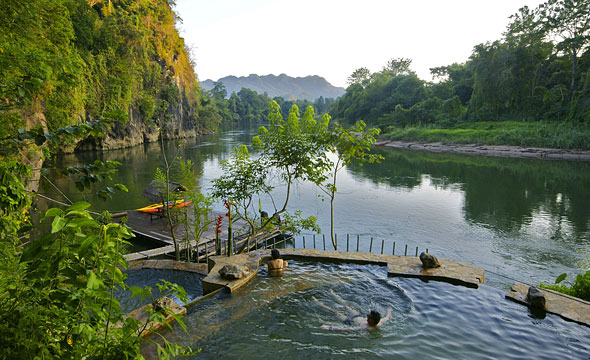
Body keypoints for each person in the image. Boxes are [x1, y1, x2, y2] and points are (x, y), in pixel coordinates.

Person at [316, 289, 392, 331]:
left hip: (348, 321)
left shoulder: (366, 327)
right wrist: (389, 308)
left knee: (334, 311)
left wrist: (330, 328)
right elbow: (388, 317)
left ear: (371, 320)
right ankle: (332, 294)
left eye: (369, 317)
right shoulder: (381, 321)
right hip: (356, 315)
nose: (367, 316)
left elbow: (347, 329)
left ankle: (317, 303)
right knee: (346, 305)